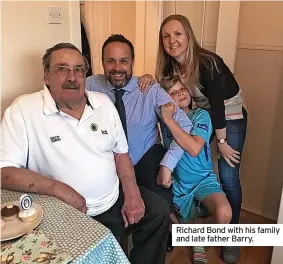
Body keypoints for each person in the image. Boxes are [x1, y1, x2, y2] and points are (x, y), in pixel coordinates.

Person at [0, 43, 171, 264]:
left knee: (158, 212)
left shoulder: (103, 102)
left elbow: (121, 153)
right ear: (46, 76)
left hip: (112, 199)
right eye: (62, 69)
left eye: (79, 69)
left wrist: (132, 192)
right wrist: (59, 189)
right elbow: (4, 171)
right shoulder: (23, 110)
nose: (72, 76)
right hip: (66, 212)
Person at [140, 14, 248, 263]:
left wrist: (220, 143)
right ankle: (192, 232)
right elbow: (164, 92)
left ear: (188, 35)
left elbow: (218, 107)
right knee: (190, 160)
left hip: (228, 115)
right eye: (166, 36)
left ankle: (232, 236)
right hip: (203, 115)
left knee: (229, 174)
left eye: (178, 33)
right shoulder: (172, 69)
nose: (172, 40)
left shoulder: (207, 62)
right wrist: (146, 79)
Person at [157, 76, 232, 264]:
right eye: (172, 92)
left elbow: (194, 147)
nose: (180, 93)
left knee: (224, 213)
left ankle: (195, 237)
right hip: (177, 183)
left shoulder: (200, 116)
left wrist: (168, 119)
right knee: (157, 204)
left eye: (181, 88)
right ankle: (192, 236)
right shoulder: (161, 118)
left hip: (202, 180)